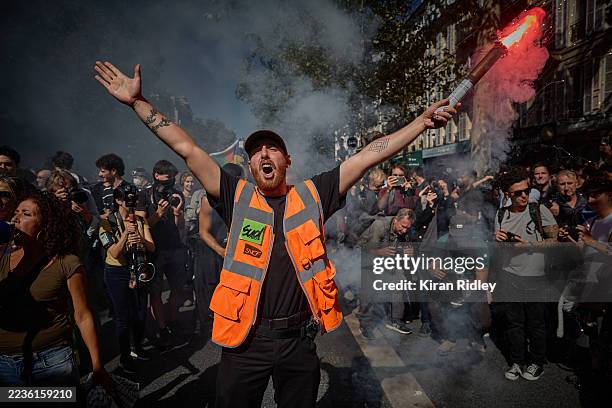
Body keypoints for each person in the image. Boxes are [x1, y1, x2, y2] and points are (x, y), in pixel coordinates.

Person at [94, 59, 456, 407]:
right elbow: (186, 148)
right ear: (250, 165)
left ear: (287, 161)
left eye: (272, 149)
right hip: (245, 341)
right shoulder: (236, 195)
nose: (264, 154)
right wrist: (138, 103)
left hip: (298, 341)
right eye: (256, 152)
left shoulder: (314, 194)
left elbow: (366, 158)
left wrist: (421, 123)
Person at [0, 192, 112, 393]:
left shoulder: (66, 263)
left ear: (45, 226)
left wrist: (97, 365)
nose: (15, 219)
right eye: (15, 213)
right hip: (5, 365)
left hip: (52, 361)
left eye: (26, 214)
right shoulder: (2, 257)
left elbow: (82, 315)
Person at [494, 167, 559, 382]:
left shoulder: (539, 210)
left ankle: (537, 362)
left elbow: (554, 242)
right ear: (507, 195)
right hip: (510, 275)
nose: (524, 196)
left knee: (536, 323)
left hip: (536, 277)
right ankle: (517, 361)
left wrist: (529, 245)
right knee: (514, 323)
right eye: (517, 193)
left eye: (526, 190)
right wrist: (498, 241)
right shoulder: (501, 214)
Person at [98, 184, 155, 373]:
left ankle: (138, 347)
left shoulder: (140, 220)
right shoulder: (106, 222)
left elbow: (152, 247)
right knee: (123, 316)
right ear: (118, 200)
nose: (131, 203)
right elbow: (114, 252)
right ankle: (124, 356)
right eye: (127, 199)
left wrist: (140, 238)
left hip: (138, 269)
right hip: (117, 272)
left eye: (134, 199)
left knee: (140, 313)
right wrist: (125, 234)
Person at [143, 160, 191, 350]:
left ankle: (172, 321)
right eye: (166, 176)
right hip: (155, 250)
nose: (170, 179)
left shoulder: (177, 194)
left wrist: (178, 215)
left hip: (174, 248)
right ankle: (162, 328)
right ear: (156, 175)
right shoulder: (145, 195)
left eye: (172, 176)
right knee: (155, 292)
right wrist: (159, 213)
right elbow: (143, 225)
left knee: (178, 289)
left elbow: (180, 227)